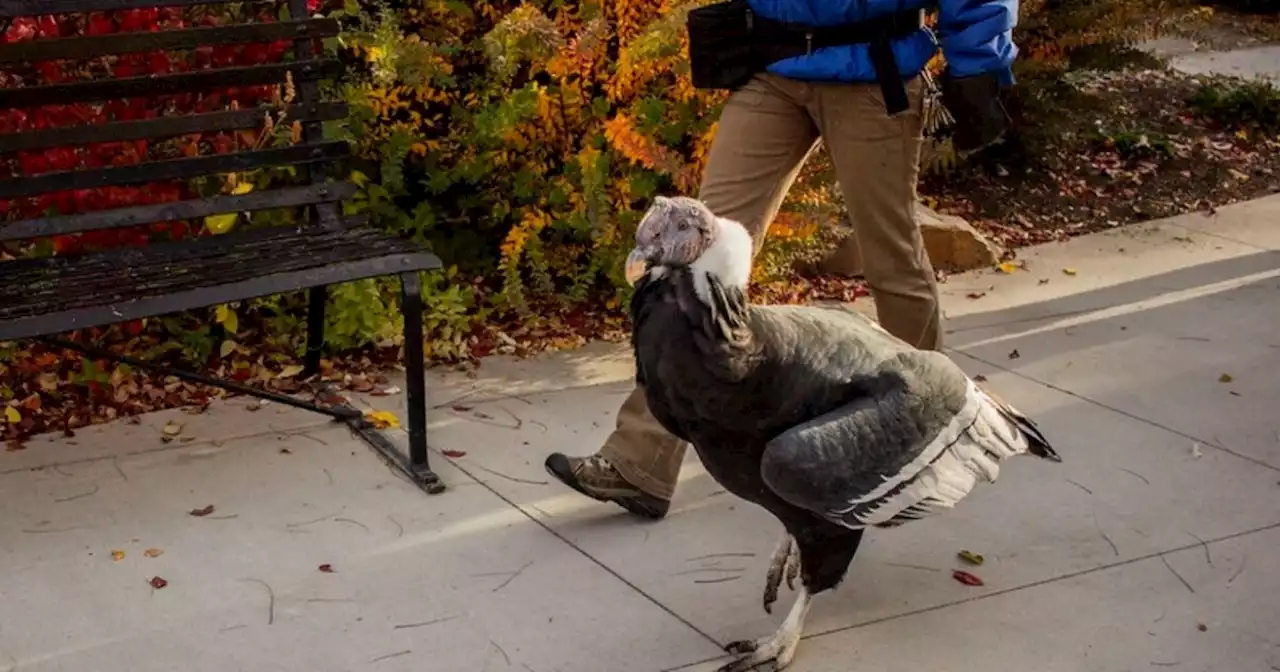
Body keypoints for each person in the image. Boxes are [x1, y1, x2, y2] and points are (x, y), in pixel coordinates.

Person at [545, 0, 1017, 519]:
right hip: (772, 66)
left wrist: (978, 65)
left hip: (873, 69)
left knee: (893, 263)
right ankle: (640, 460)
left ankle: (928, 433)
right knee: (697, 262)